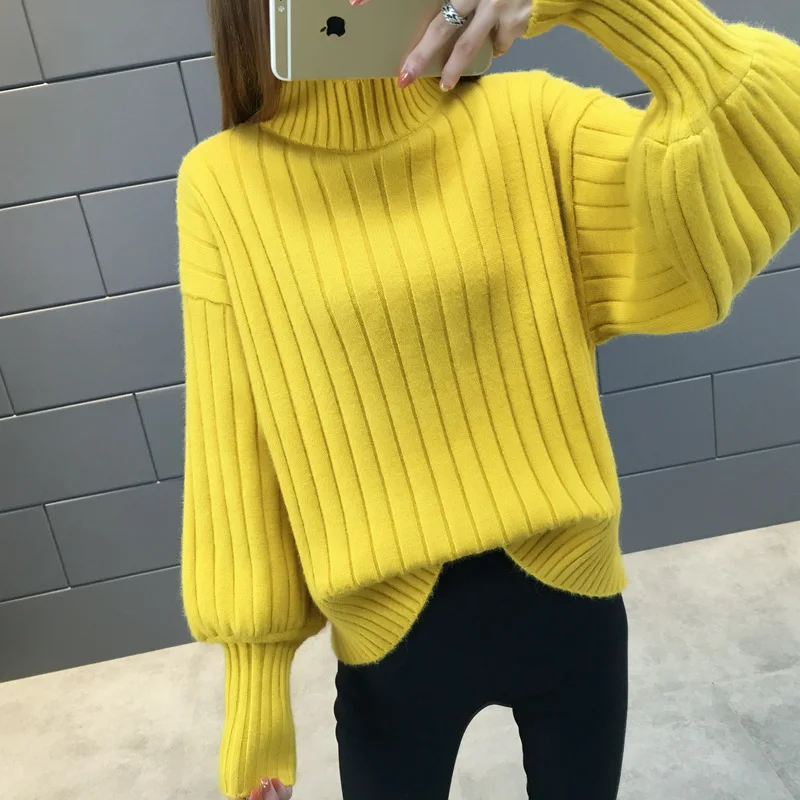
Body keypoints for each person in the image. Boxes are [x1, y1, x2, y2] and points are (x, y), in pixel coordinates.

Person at [177, 0, 800, 796]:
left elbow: (768, 136)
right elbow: (233, 445)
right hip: (389, 647)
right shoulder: (223, 184)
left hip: (570, 602)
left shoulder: (531, 122)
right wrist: (255, 685)